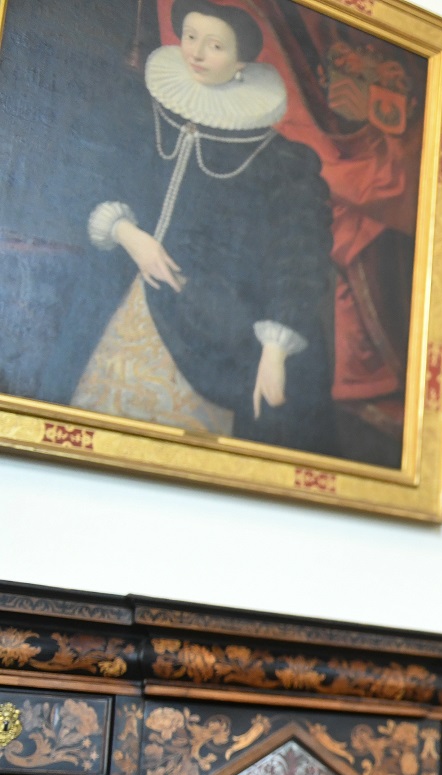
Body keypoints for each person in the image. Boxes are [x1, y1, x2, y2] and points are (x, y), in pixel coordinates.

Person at [66, 1, 335, 453]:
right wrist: (129, 235)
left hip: (213, 329)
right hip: (125, 304)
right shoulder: (140, 109)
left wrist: (274, 349)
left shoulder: (279, 160)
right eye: (190, 36)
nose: (196, 53)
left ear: (241, 61)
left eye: (214, 45)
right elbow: (86, 173)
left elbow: (298, 255)